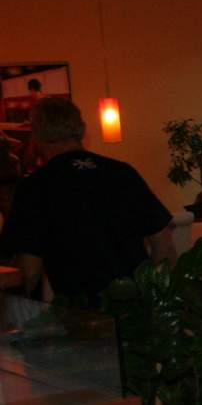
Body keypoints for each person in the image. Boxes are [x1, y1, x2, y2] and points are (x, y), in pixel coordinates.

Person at [0, 96, 174, 304]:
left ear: (36, 135)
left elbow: (29, 272)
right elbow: (164, 245)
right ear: (82, 129)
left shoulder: (35, 187)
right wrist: (154, 300)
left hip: (81, 313)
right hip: (135, 310)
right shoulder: (122, 173)